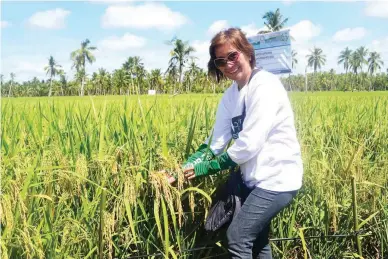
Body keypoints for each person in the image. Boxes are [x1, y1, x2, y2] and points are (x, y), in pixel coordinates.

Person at [168, 27, 303, 259]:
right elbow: (215, 142)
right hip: (255, 179)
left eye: (233, 56)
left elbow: (249, 145)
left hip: (278, 178)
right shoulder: (231, 95)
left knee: (238, 237)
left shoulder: (265, 86)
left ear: (247, 53)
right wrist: (183, 169)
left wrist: (202, 169)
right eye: (221, 61)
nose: (228, 64)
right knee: (258, 242)